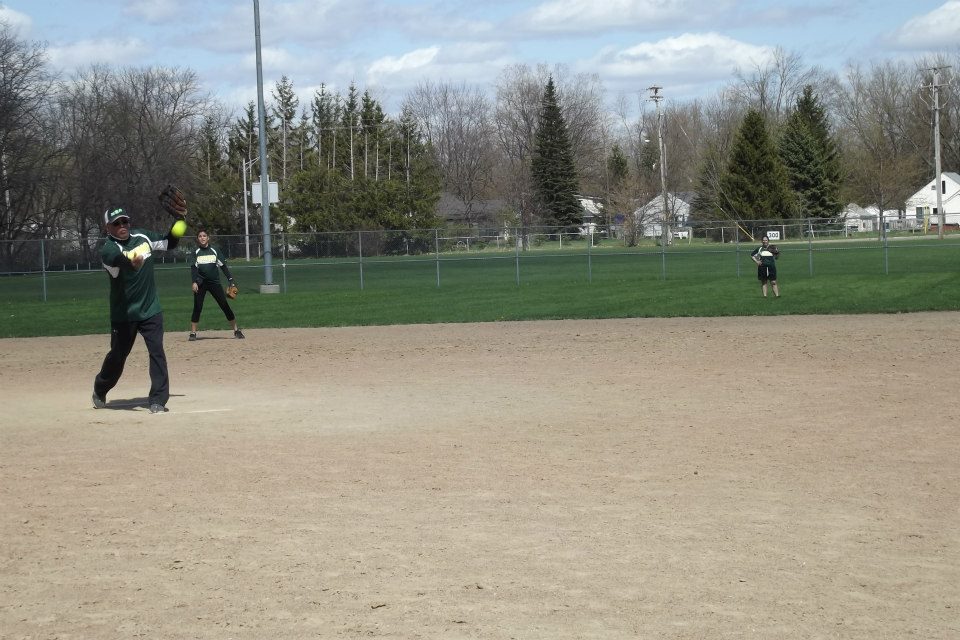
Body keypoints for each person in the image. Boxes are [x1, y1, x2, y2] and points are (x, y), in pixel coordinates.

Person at [92, 206, 183, 413]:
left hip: (151, 308)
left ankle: (158, 399)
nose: (122, 226)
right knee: (118, 356)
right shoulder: (108, 249)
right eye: (117, 223)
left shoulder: (143, 236)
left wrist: (180, 222)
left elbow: (170, 242)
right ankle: (101, 386)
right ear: (108, 228)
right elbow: (118, 260)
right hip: (124, 314)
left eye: (125, 221)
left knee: (157, 351)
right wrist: (131, 262)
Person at [188, 229, 244, 341]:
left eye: (204, 236)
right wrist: (194, 282)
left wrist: (230, 280)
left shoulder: (215, 250)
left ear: (208, 238)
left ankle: (236, 330)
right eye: (200, 236)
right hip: (201, 283)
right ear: (197, 238)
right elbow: (194, 268)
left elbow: (223, 266)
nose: (202, 238)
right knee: (197, 307)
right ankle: (193, 333)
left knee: (224, 305)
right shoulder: (196, 251)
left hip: (214, 283)